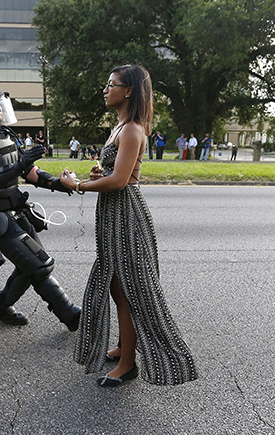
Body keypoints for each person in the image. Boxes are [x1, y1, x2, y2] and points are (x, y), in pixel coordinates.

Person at [59, 65, 198, 387]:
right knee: (115, 285)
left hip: (126, 215)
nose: (106, 90)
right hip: (113, 213)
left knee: (129, 291)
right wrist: (98, 175)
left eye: (112, 84)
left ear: (129, 90)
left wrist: (76, 184)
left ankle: (128, 364)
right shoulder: (120, 127)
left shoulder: (133, 129)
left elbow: (121, 181)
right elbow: (114, 174)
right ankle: (125, 345)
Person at [0, 80, 81, 331]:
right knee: (40, 264)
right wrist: (19, 166)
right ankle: (70, 315)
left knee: (29, 265)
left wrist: (58, 184)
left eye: (0, 107)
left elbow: (28, 170)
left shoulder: (4, 134)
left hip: (16, 210)